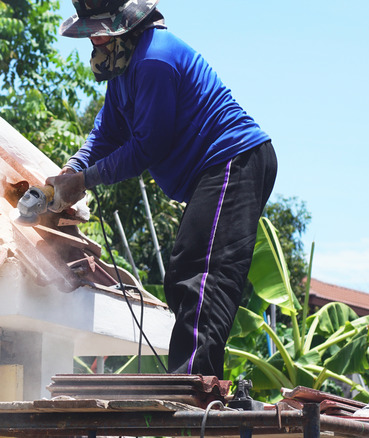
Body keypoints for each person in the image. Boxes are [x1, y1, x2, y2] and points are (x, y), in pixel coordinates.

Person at [47, 0, 278, 379]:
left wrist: (84, 182)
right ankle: (192, 380)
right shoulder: (125, 70)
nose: (94, 40)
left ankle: (193, 386)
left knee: (200, 272)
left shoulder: (154, 60)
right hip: (217, 168)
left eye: (99, 32)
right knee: (184, 273)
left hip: (233, 160)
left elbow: (146, 146)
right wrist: (72, 168)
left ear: (123, 27)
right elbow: (108, 132)